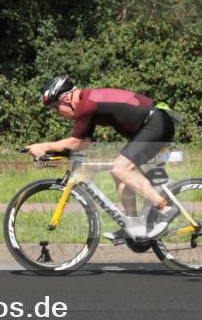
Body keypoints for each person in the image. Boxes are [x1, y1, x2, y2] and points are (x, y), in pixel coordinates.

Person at [26, 75, 178, 240]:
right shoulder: (86, 104)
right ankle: (134, 226)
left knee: (120, 169)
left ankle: (165, 209)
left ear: (66, 99)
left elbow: (75, 142)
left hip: (156, 123)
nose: (57, 114)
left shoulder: (86, 105)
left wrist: (45, 146)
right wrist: (55, 152)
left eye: (55, 107)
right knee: (119, 173)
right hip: (152, 125)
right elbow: (84, 143)